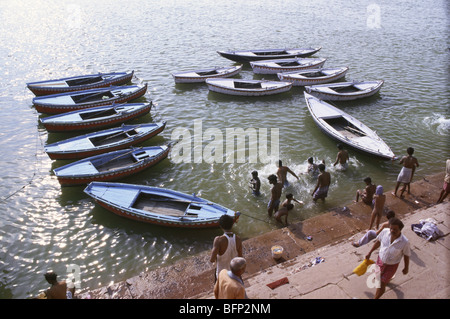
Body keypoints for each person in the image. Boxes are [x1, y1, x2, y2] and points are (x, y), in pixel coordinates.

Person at [365, 218, 411, 299]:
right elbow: (378, 242)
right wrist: (369, 252)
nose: (392, 231)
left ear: (400, 230)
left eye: (395, 229)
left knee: (381, 284)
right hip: (380, 261)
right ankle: (386, 280)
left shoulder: (405, 242)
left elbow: (406, 255)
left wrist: (406, 268)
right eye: (391, 228)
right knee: (378, 279)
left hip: (391, 266)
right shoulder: (385, 232)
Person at [210, 215, 243, 281]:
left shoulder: (218, 240)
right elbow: (240, 258)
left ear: (221, 226)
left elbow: (212, 259)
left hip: (221, 275)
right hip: (234, 273)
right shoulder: (238, 239)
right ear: (232, 225)